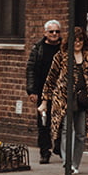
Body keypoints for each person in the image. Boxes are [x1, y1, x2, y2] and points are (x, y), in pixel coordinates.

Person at [45, 27, 88, 175]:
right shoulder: (61, 56)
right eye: (75, 40)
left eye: (80, 40)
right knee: (67, 130)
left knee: (81, 133)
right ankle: (67, 162)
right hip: (66, 98)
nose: (78, 43)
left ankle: (75, 163)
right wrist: (44, 100)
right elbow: (51, 78)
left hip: (83, 98)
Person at [25, 18, 65, 164]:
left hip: (60, 91)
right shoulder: (38, 48)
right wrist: (32, 91)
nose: (54, 34)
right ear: (45, 33)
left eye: (57, 31)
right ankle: (44, 151)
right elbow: (31, 70)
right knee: (43, 122)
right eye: (51, 31)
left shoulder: (64, 48)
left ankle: (59, 146)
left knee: (61, 120)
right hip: (42, 92)